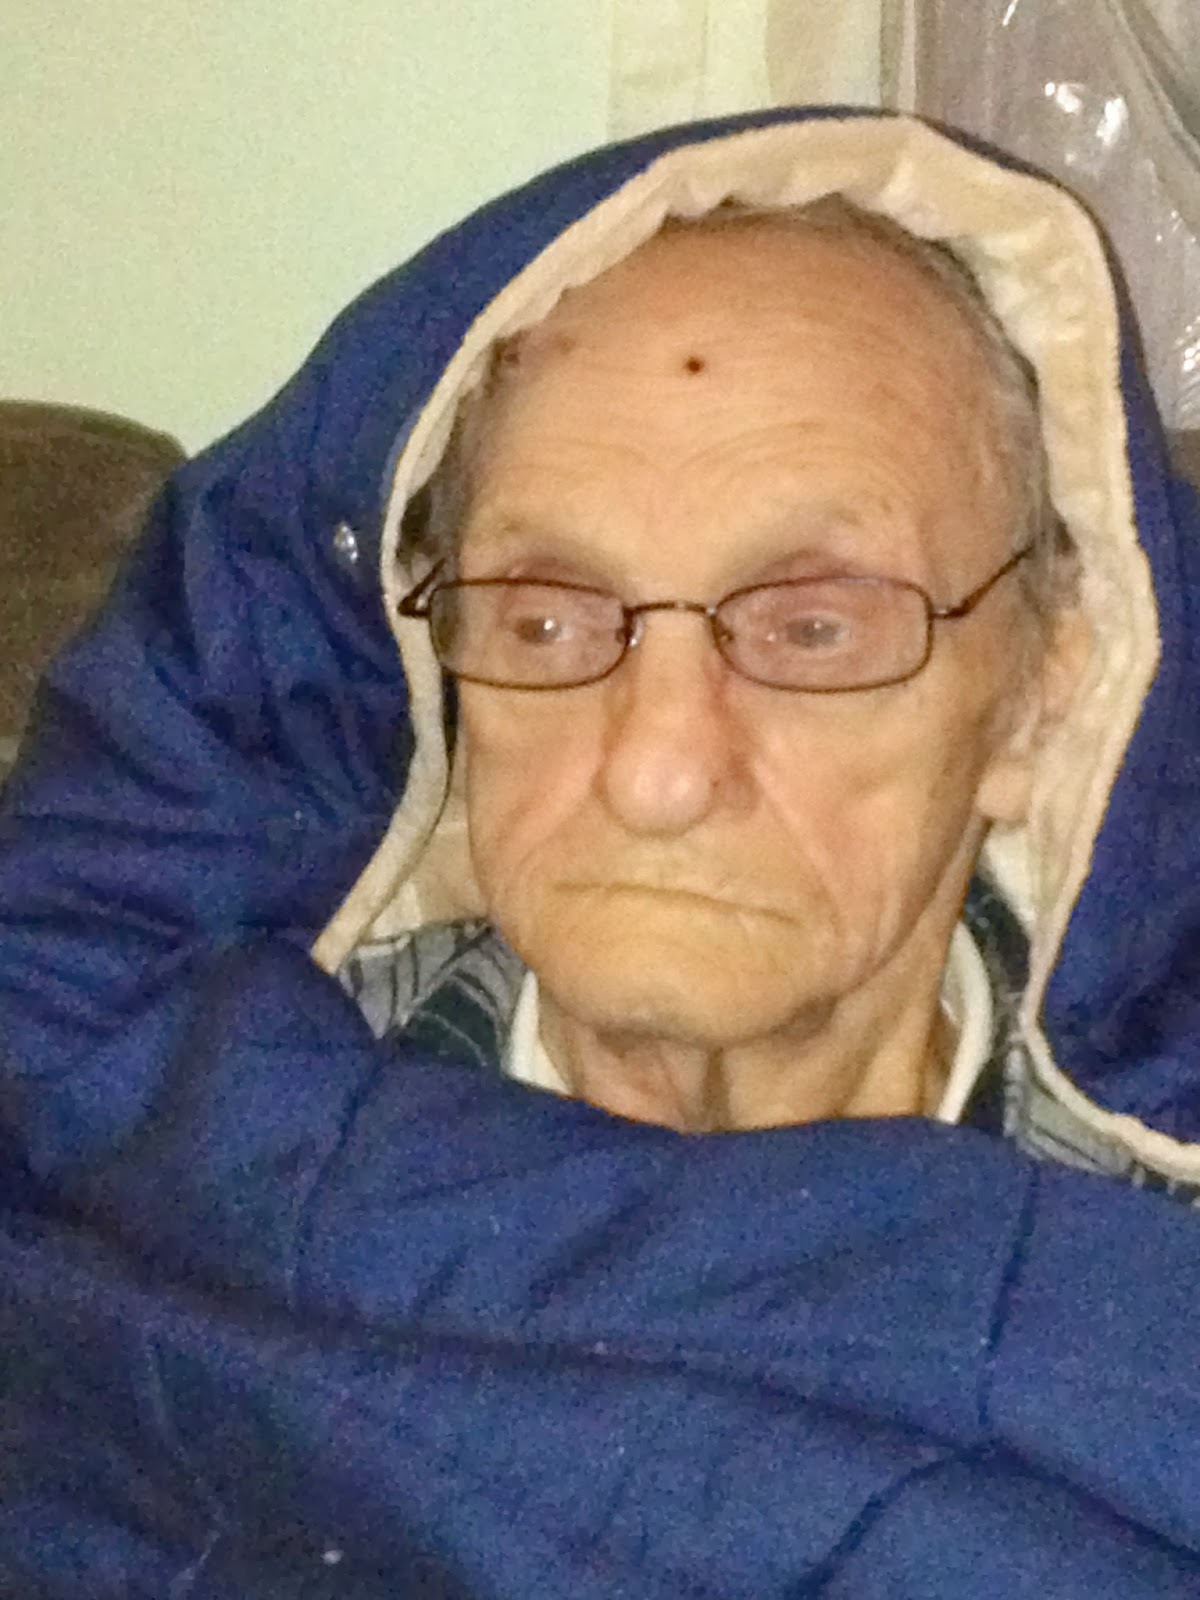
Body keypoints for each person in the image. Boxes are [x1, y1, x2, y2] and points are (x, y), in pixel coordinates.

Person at [2, 107, 1200, 1595]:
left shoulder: (1149, 1249)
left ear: (1039, 699)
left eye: (812, 628)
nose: (656, 770)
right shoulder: (168, 1158)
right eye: (548, 619)